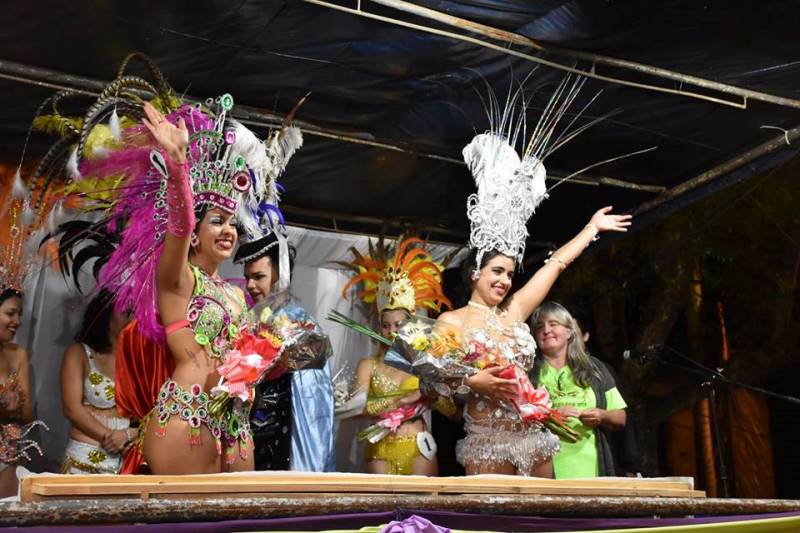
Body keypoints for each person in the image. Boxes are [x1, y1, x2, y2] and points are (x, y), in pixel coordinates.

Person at [41, 60, 295, 474]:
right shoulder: (177, 278)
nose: (229, 230)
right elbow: (178, 224)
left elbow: (241, 358)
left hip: (234, 423)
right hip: (187, 417)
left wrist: (273, 357)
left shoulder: (234, 292)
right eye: (217, 221)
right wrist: (178, 171)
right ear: (195, 234)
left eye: (232, 222)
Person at [432, 77, 632, 477]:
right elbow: (435, 384)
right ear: (475, 273)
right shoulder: (449, 322)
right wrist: (475, 381)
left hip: (533, 435)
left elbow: (555, 264)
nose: (505, 280)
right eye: (497, 271)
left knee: (543, 518)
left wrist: (592, 229)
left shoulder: (515, 311)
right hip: (487, 441)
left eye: (509, 273)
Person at [342, 236, 452, 475]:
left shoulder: (427, 362)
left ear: (411, 325)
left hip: (419, 445)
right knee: (382, 510)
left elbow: (451, 412)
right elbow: (356, 408)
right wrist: (404, 400)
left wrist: (432, 392)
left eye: (398, 325)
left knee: (422, 510)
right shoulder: (368, 365)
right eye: (386, 325)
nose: (391, 332)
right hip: (380, 445)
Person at [234, 231, 336, 472]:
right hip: (251, 438)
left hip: (284, 442)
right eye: (247, 277)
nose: (250, 285)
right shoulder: (249, 322)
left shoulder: (302, 325)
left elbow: (313, 406)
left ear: (281, 277)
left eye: (258, 277)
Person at [530, 301, 627, 478]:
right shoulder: (528, 372)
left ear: (569, 331)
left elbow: (621, 418)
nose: (546, 330)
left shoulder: (594, 369)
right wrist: (551, 415)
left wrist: (602, 415)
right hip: (544, 472)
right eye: (539, 327)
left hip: (592, 471)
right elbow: (514, 419)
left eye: (553, 324)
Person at [60, 290, 132, 474]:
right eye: (126, 312)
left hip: (126, 464)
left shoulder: (138, 362)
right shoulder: (80, 353)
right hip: (83, 462)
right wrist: (109, 437)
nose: (132, 318)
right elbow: (71, 408)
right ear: (105, 313)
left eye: (135, 313)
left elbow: (153, 415)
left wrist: (128, 435)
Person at [0, 288, 34, 497]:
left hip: (7, 456)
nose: (17, 321)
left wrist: (14, 409)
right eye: (10, 313)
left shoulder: (18, 354)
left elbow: (28, 415)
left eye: (19, 314)